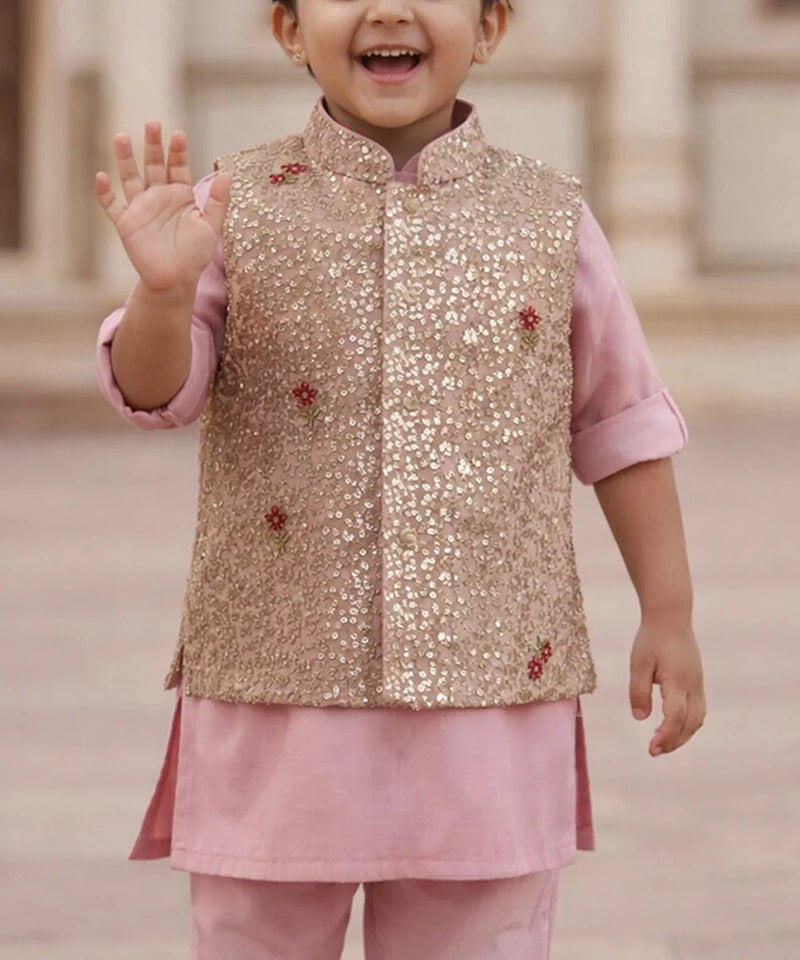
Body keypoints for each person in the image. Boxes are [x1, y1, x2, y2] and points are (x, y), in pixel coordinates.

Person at [94, 1, 706, 957]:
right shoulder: (230, 205)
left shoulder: (552, 218)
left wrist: (668, 612)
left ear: (492, 25)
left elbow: (620, 424)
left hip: (493, 700)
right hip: (274, 695)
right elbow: (154, 393)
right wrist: (161, 297)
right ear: (289, 31)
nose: (390, 7)